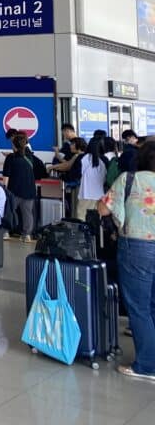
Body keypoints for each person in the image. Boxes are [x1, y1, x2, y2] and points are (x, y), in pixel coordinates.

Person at [98, 141, 155, 382]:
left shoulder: (129, 179)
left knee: (139, 308)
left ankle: (147, 365)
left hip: (137, 247)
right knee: (152, 305)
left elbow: (103, 209)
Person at [2, 133, 37, 243]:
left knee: (9, 211)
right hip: (29, 190)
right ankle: (27, 235)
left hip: (14, 190)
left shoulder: (10, 158)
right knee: (27, 213)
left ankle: (6, 232)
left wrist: (4, 190)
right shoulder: (30, 157)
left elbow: (6, 176)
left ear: (13, 145)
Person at [74, 135, 110, 220]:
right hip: (100, 196)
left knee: (82, 220)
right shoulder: (104, 160)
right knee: (97, 222)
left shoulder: (82, 158)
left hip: (85, 195)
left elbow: (75, 174)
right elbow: (106, 177)